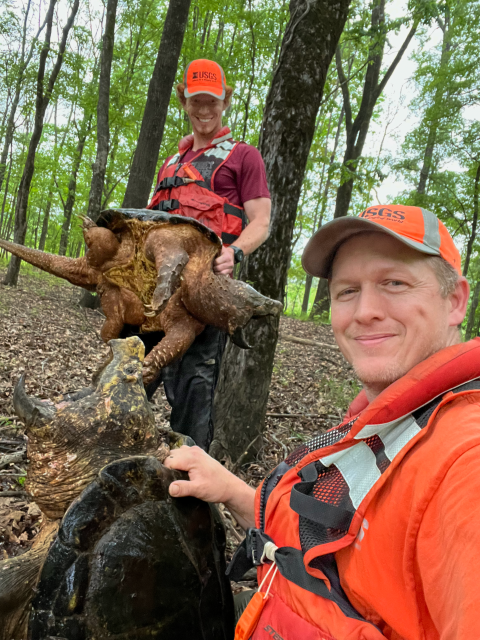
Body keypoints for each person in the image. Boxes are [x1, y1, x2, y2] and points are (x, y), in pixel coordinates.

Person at [164, 204, 480, 639]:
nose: (366, 310)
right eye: (348, 291)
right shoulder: (396, 417)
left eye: (394, 283)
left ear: (455, 301)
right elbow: (338, 547)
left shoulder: (465, 460)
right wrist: (233, 490)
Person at [145, 59, 271, 450]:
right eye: (196, 101)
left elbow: (262, 220)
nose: (204, 110)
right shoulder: (170, 163)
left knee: (194, 386)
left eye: (212, 102)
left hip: (204, 291)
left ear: (225, 101)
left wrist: (236, 252)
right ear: (184, 100)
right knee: (134, 374)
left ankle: (190, 487)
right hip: (155, 292)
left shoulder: (242, 156)